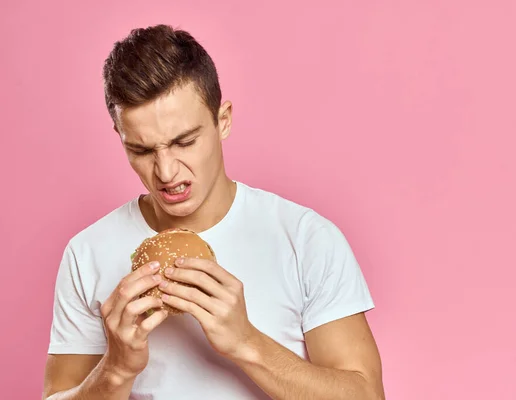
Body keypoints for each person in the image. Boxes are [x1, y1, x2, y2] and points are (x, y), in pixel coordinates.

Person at [42, 24, 385, 400]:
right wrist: (117, 369)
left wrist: (246, 343)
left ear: (223, 120)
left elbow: (366, 395)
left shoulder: (305, 238)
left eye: (184, 142)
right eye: (141, 150)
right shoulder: (87, 252)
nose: (166, 172)